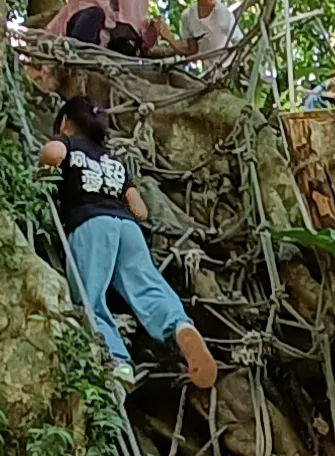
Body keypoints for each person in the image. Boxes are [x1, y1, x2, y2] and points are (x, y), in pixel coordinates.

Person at [39, 98, 218, 391]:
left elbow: (52, 152)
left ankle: (118, 361)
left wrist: (43, 177)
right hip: (128, 228)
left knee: (89, 297)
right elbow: (140, 210)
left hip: (90, 224)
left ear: (66, 124)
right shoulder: (114, 162)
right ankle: (179, 325)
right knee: (147, 286)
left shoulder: (68, 144)